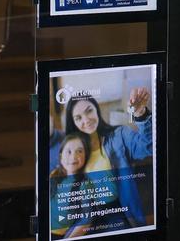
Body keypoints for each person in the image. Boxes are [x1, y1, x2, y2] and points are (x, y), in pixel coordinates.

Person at [50, 88, 153, 232]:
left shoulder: (119, 136)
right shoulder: (72, 150)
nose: (86, 120)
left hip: (117, 215)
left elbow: (148, 146)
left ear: (96, 109)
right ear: (73, 122)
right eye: (78, 118)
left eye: (89, 111)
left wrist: (140, 113)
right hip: (83, 218)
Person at [49, 133, 92, 238]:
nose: (73, 156)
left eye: (79, 151)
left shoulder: (84, 184)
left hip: (59, 234)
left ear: (85, 156)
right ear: (60, 156)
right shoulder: (54, 174)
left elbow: (86, 219)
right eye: (68, 151)